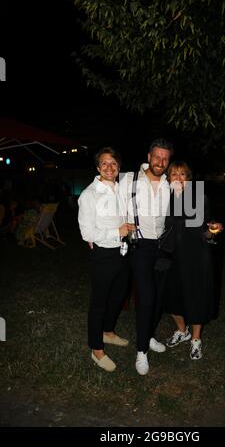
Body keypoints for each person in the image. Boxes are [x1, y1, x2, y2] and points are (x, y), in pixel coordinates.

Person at [78, 147, 135, 372]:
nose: (109, 168)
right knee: (99, 302)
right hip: (103, 253)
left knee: (119, 294)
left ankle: (108, 332)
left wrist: (128, 229)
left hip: (123, 250)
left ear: (119, 167)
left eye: (113, 163)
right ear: (97, 167)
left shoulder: (121, 189)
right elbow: (87, 234)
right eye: (104, 163)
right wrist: (117, 231)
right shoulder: (89, 195)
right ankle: (96, 349)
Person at [119, 138, 173, 375]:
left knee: (159, 296)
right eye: (157, 157)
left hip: (162, 246)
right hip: (139, 245)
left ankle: (149, 335)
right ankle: (141, 351)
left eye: (165, 158)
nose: (160, 162)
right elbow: (114, 207)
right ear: (148, 157)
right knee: (147, 295)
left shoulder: (171, 183)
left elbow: (182, 212)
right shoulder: (128, 179)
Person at [163, 160, 223, 360]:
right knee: (171, 296)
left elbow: (206, 232)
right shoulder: (163, 199)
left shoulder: (199, 198)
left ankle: (196, 338)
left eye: (183, 175)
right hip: (172, 256)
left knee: (196, 296)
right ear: (168, 179)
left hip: (196, 256)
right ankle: (182, 330)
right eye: (174, 174)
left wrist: (212, 231)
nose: (178, 178)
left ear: (188, 179)